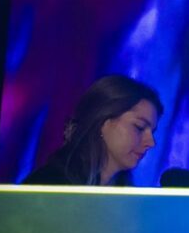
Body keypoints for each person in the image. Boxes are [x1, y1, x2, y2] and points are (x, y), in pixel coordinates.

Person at [24, 74, 163, 186]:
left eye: (152, 132)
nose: (151, 142)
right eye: (139, 127)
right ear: (102, 122)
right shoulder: (47, 186)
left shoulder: (130, 202)